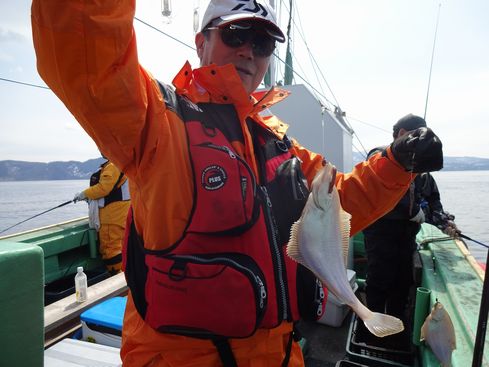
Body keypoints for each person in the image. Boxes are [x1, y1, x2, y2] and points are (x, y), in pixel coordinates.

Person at [31, 1, 443, 365]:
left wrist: (395, 163)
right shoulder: (155, 123)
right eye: (236, 33)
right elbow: (88, 52)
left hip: (280, 353)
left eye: (262, 44)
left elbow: (342, 200)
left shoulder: (278, 142)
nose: (249, 50)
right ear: (201, 42)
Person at [362, 114, 457, 333]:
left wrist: (444, 222)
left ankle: (395, 327)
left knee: (402, 282)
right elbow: (382, 187)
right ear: (402, 134)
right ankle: (372, 329)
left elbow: (433, 199)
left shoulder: (420, 170)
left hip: (407, 237)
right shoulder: (379, 156)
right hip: (381, 233)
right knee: (379, 280)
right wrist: (414, 210)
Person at [73, 159, 131, 274]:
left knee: (110, 250)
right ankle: (126, 275)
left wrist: (84, 194)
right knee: (122, 247)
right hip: (121, 216)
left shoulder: (113, 165)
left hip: (111, 218)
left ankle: (117, 278)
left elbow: (103, 188)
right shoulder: (122, 163)